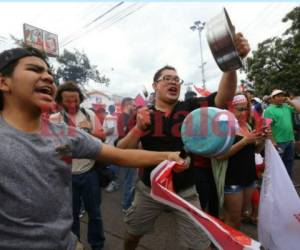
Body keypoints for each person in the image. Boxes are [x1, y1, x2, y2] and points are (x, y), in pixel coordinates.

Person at [0, 47, 187, 250]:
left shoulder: (65, 134)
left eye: (49, 73)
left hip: (68, 243)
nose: (48, 78)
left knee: (94, 213)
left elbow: (120, 155)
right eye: (35, 69)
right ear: (4, 82)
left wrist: (168, 156)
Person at [117, 32, 250, 250]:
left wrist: (231, 65)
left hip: (186, 189)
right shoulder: (142, 114)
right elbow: (121, 151)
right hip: (149, 188)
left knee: (199, 244)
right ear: (155, 86)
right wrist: (138, 129)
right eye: (166, 78)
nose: (172, 82)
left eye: (176, 79)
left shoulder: (190, 108)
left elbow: (223, 98)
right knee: (133, 234)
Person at [50, 81, 105, 250]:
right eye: (68, 101)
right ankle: (75, 245)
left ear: (80, 98)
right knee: (71, 215)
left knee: (95, 213)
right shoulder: (54, 119)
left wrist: (89, 131)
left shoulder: (89, 114)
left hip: (89, 172)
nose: (72, 104)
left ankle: (97, 245)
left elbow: (102, 137)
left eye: (75, 100)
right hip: (67, 174)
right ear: (60, 101)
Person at [216, 94, 267, 229]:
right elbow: (220, 156)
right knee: (233, 220)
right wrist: (245, 141)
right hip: (232, 179)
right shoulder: (223, 127)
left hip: (249, 177)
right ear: (230, 110)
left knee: (243, 214)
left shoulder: (247, 126)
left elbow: (255, 151)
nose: (244, 112)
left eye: (246, 109)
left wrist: (262, 140)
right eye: (239, 109)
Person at [264, 89, 300, 178]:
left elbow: (299, 110)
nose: (281, 98)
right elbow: (267, 126)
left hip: (290, 140)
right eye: (278, 96)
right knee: (278, 164)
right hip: (279, 142)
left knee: (289, 162)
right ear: (272, 98)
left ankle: (288, 183)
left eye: (282, 95)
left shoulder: (286, 106)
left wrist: (290, 101)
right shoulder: (269, 110)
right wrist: (273, 141)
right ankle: (279, 184)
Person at [116, 97, 138, 211]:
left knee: (130, 179)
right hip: (128, 152)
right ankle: (126, 205)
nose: (134, 108)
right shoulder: (123, 118)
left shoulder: (127, 117)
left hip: (130, 151)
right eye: (133, 106)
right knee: (129, 180)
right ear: (127, 105)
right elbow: (124, 135)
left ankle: (128, 202)